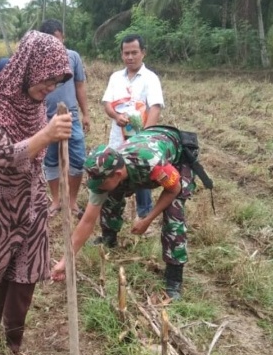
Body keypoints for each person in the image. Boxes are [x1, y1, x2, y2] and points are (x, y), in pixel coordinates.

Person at [0, 31, 73, 355]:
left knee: (28, 270)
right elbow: (2, 156)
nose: (49, 89)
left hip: (29, 199)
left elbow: (35, 148)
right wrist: (47, 134)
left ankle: (13, 342)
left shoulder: (34, 104)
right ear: (28, 67)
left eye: (55, 83)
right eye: (46, 80)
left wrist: (53, 135)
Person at [51, 125, 196, 301]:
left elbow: (173, 189)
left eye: (101, 184)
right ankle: (109, 237)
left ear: (118, 174)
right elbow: (87, 221)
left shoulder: (153, 163)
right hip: (141, 151)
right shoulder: (107, 171)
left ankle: (174, 276)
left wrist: (147, 219)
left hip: (176, 152)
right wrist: (65, 261)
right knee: (110, 196)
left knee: (174, 213)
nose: (98, 189)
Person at [101, 34, 164, 223]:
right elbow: (107, 103)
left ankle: (144, 216)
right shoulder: (115, 78)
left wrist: (144, 137)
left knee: (141, 175)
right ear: (121, 54)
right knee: (114, 174)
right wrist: (116, 116)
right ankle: (112, 218)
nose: (130, 57)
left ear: (143, 53)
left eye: (134, 53)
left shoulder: (150, 78)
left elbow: (155, 107)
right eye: (126, 53)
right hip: (117, 138)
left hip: (140, 138)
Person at [38, 19, 90, 219]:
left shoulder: (73, 57)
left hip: (71, 118)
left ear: (63, 38)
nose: (54, 46)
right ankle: (56, 200)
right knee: (49, 161)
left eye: (57, 40)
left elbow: (79, 86)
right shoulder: (37, 59)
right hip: (44, 119)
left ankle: (72, 201)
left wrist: (86, 114)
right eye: (49, 41)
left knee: (77, 160)